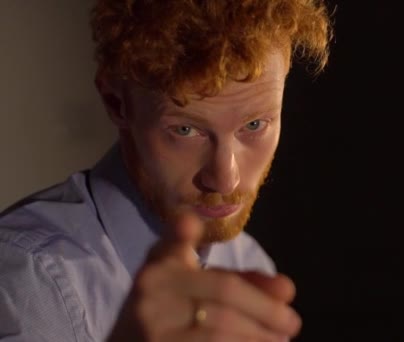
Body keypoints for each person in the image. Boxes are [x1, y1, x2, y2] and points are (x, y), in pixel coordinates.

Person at [0, 0, 332, 341]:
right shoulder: (25, 281)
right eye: (186, 130)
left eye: (255, 124)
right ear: (117, 103)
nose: (225, 178)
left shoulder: (247, 264)